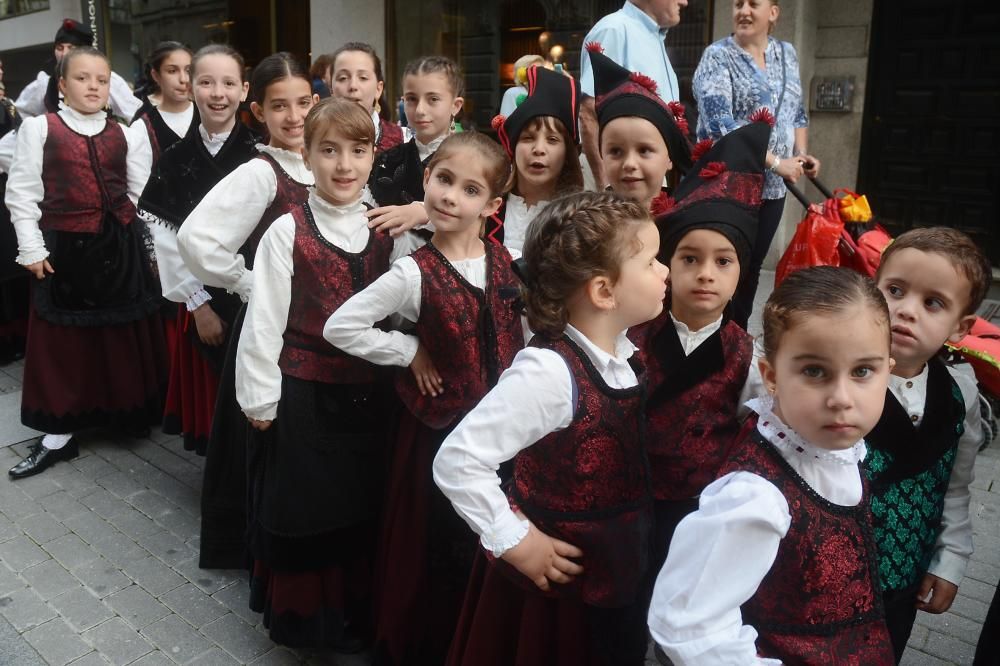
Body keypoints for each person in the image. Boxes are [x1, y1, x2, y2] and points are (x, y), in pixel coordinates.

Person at [435, 191, 666, 666]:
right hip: (556, 590)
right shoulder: (549, 374)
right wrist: (518, 542)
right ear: (603, 291)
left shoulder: (623, 353)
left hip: (612, 574)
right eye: (651, 262)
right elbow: (458, 460)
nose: (664, 272)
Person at [325, 132, 522, 665]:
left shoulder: (505, 262)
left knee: (481, 539)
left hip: (496, 436)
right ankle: (421, 643)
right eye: (443, 179)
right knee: (429, 543)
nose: (451, 196)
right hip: (434, 433)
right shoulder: (413, 271)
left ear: (492, 205)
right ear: (426, 178)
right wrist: (407, 348)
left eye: (470, 189)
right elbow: (341, 326)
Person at [236, 97, 419, 650]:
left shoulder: (389, 229)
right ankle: (307, 620)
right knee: (311, 505)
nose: (344, 165)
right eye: (329, 151)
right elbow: (264, 320)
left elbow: (412, 306)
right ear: (307, 157)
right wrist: (261, 399)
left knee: (362, 502)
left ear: (373, 156)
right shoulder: (286, 231)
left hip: (373, 394)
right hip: (306, 395)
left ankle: (357, 613)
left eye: (358, 151)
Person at [649, 266, 896, 664]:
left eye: (863, 371)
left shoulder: (836, 449)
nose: (842, 398)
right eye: (814, 371)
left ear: (889, 368)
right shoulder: (755, 496)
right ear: (771, 376)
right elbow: (686, 623)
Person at [175, 51, 315, 569]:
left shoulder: (324, 161)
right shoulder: (262, 173)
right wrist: (248, 282)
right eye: (280, 106)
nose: (294, 116)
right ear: (257, 111)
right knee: (267, 431)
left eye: (302, 102)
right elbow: (197, 237)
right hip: (272, 331)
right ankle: (262, 546)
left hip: (317, 330)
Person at [5, 47, 166, 479]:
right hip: (65, 251)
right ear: (62, 84)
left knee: (118, 337)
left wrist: (125, 227)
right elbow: (22, 195)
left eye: (101, 78)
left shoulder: (127, 132)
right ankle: (60, 434)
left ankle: (122, 413)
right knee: (64, 346)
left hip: (118, 246)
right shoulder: (40, 129)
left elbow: (137, 188)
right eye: (82, 78)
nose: (93, 86)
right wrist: (33, 248)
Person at [631, 120, 768, 591]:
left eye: (723, 261)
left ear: (741, 275)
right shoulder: (633, 336)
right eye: (689, 258)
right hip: (630, 499)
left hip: (699, 512)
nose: (705, 274)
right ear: (667, 264)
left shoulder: (747, 357)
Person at [867, 227, 988, 662]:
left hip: (902, 577)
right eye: (894, 290)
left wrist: (950, 559)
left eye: (932, 303)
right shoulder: (835, 372)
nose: (905, 310)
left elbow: (954, 486)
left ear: (961, 327)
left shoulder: (961, 394)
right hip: (816, 577)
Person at [137, 44, 257, 460]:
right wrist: (197, 304)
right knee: (216, 402)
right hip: (205, 300)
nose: (217, 93)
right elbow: (164, 235)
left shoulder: (261, 153)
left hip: (259, 295)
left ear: (244, 90)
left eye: (228, 83)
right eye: (206, 82)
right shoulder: (174, 160)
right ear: (191, 88)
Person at [692, 0, 820, 330]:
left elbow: (797, 110)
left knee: (751, 268)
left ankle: (735, 337)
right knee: (724, 264)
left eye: (753, 3)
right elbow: (720, 123)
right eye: (738, 4)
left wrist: (801, 153)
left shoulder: (787, 53)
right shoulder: (718, 56)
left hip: (773, 189)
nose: (743, 11)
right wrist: (778, 162)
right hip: (728, 183)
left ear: (773, 13)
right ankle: (708, 338)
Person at [580, 0, 687, 189]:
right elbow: (588, 111)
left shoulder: (653, 39)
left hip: (646, 178)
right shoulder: (614, 29)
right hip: (617, 181)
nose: (684, 2)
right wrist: (606, 186)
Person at [487, 64, 583, 251]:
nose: (538, 149)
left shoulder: (578, 220)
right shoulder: (486, 208)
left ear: (567, 154)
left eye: (552, 140)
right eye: (528, 138)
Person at [587, 44, 692, 214]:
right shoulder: (590, 228)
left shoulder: (688, 230)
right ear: (601, 154)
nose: (629, 164)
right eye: (615, 151)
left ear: (670, 158)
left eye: (644, 150)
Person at [366, 55, 464, 236]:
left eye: (433, 99)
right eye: (411, 99)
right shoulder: (387, 161)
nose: (420, 110)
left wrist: (426, 212)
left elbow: (482, 220)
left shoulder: (471, 161)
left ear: (455, 105)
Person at [13, 19, 141, 121]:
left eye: (71, 47)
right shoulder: (45, 85)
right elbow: (22, 112)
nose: (64, 54)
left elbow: (135, 113)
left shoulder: (108, 79)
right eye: (59, 48)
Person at [328, 42, 402, 154]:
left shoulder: (403, 139)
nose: (353, 86)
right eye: (343, 78)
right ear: (331, 89)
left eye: (363, 77)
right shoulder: (316, 139)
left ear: (378, 89)